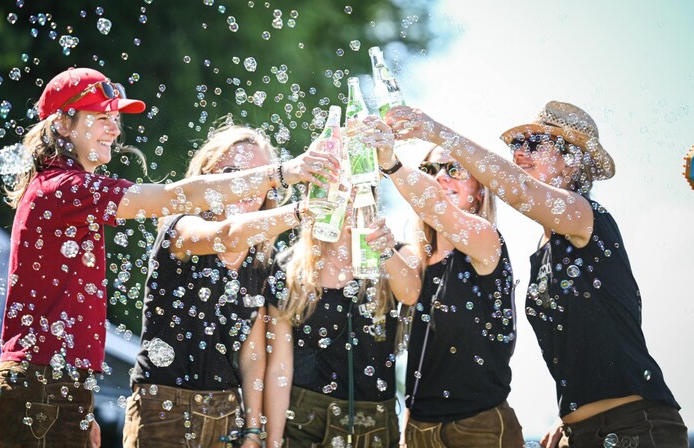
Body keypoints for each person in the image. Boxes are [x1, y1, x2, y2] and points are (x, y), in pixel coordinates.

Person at [0, 67, 338, 448]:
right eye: (102, 118)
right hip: (43, 388)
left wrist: (81, 407)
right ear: (63, 126)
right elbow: (173, 197)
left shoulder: (71, 191)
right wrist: (286, 177)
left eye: (116, 119)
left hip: (58, 387)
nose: (115, 130)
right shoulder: (65, 188)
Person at [386, 101, 688, 447]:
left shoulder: (585, 216)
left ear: (572, 158)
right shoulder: (546, 247)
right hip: (585, 433)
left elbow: (520, 191)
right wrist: (569, 422)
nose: (519, 154)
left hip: (637, 427)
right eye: (517, 145)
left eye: (533, 144)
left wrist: (433, 129)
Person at [122, 123, 313, 447]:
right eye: (232, 173)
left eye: (259, 174)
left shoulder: (263, 262)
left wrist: (253, 431)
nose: (245, 185)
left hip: (226, 414)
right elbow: (227, 235)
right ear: (210, 179)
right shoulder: (179, 228)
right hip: (162, 408)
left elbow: (253, 356)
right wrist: (304, 212)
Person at [364, 118, 524, 447]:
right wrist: (383, 246)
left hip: (479, 426)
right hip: (420, 429)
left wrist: (391, 163)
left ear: (481, 192)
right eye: (430, 168)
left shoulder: (486, 241)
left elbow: (437, 209)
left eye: (454, 169)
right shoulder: (416, 258)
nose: (439, 177)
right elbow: (407, 294)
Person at [264, 185, 413, 448]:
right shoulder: (289, 267)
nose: (349, 197)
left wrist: (386, 249)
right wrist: (273, 442)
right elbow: (279, 368)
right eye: (339, 188)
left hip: (374, 423)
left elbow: (411, 294)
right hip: (305, 420)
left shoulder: (395, 254)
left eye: (358, 187)